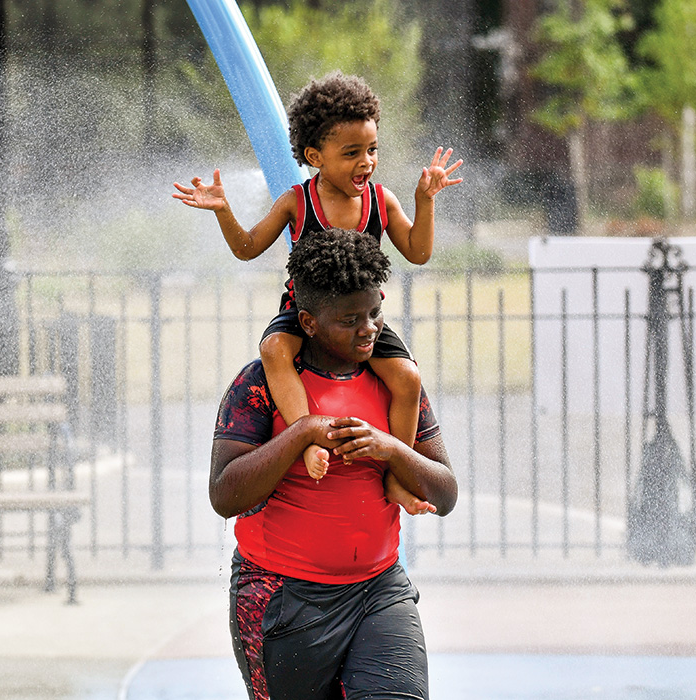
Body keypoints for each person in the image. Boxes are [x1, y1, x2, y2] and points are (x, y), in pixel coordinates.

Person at [176, 71, 463, 499]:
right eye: (351, 153)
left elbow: (418, 252)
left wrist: (424, 201)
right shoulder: (297, 200)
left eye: (372, 149)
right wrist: (223, 211)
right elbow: (248, 248)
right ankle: (307, 437)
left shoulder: (381, 201)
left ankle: (394, 475)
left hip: (361, 320)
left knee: (406, 377)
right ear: (315, 155)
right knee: (274, 348)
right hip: (304, 312)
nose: (366, 161)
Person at [211, 227, 458, 700]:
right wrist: (302, 431)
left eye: (374, 313)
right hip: (281, 597)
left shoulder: (394, 381)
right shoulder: (262, 385)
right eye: (349, 320)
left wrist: (390, 449)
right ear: (308, 322)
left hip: (378, 591)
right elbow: (224, 495)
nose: (369, 329)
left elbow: (444, 494)